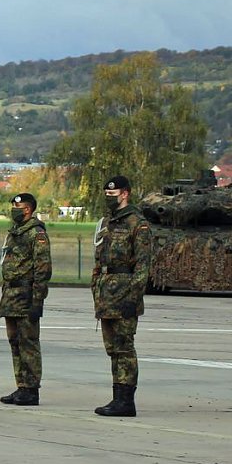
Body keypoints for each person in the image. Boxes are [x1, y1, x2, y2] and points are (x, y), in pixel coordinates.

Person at [91, 175, 151, 417]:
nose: (109, 197)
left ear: (125, 193)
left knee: (124, 348)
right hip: (107, 293)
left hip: (125, 292)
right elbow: (99, 258)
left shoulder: (138, 223)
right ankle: (117, 397)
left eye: (113, 194)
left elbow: (143, 266)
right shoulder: (108, 222)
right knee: (113, 348)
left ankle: (126, 400)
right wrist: (96, 286)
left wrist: (132, 298)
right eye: (106, 193)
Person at [0, 193, 51, 406]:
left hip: (27, 294)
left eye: (18, 206)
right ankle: (21, 385)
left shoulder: (36, 233)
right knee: (15, 341)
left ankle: (31, 388)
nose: (14, 208)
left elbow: (43, 268)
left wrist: (38, 300)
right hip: (11, 295)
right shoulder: (14, 233)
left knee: (28, 342)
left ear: (28, 209)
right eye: (13, 205)